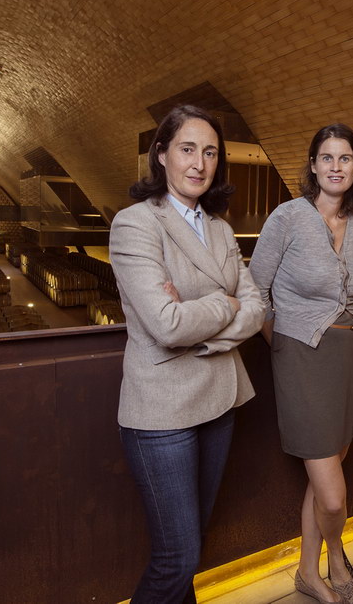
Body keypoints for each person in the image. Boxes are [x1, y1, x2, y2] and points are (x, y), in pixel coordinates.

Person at [110, 104, 264, 603]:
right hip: (163, 412)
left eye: (211, 152)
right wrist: (225, 302)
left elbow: (257, 307)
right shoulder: (135, 223)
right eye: (187, 149)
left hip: (219, 398)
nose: (199, 163)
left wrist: (203, 327)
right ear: (161, 154)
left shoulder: (220, 228)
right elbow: (166, 323)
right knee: (177, 556)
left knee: (192, 547)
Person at [249, 123, 353, 604]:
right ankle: (335, 552)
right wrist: (281, 344)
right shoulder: (288, 217)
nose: (336, 167)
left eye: (345, 158)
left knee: (326, 477)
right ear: (313, 166)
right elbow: (255, 290)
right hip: (300, 358)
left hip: (347, 357)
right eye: (327, 158)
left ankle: (306, 570)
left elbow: (352, 293)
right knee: (334, 496)